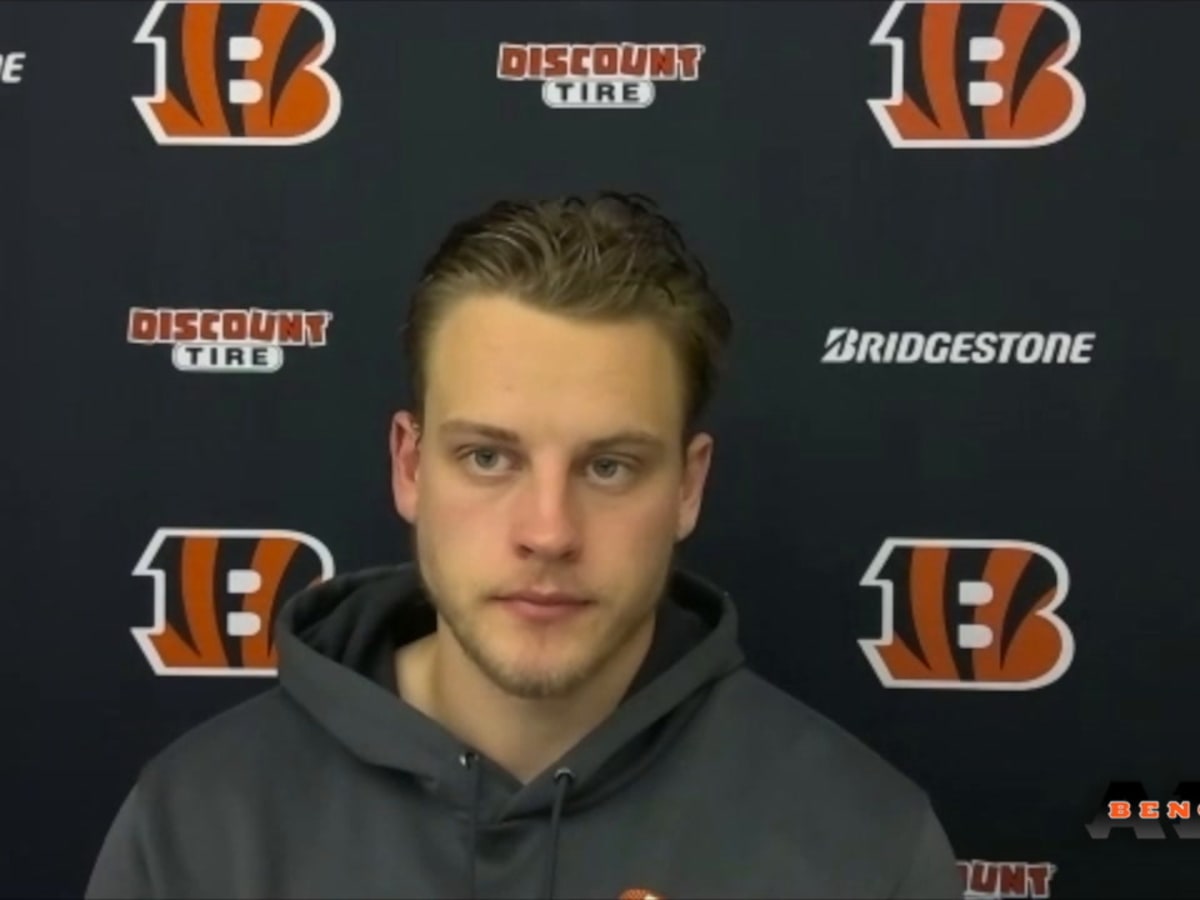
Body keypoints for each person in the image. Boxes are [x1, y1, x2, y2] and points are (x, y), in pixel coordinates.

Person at [86, 192, 961, 899]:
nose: (548, 531)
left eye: (610, 466)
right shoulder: (198, 827)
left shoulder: (862, 846)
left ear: (688, 486)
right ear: (409, 465)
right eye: (487, 457)